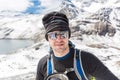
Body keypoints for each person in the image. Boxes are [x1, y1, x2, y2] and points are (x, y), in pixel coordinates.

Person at [36, 11, 119, 80]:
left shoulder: (87, 59)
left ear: (68, 36)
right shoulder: (43, 64)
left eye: (63, 34)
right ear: (48, 38)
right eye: (53, 35)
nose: (58, 39)